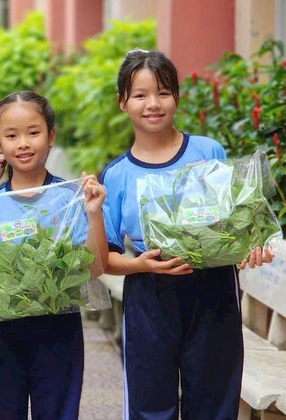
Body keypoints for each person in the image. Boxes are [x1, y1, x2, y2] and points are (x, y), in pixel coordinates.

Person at [99, 50, 273, 420]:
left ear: (176, 96)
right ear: (122, 103)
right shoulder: (115, 176)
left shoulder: (208, 152)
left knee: (213, 403)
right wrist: (139, 264)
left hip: (214, 292)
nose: (153, 104)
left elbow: (234, 225)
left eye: (163, 92)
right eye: (140, 95)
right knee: (150, 407)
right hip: (150, 295)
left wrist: (250, 246)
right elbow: (105, 259)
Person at [0, 91, 108, 420]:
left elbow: (95, 267)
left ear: (51, 136)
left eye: (33, 132)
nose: (24, 143)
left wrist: (94, 214)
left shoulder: (71, 197)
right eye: (11, 135)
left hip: (59, 329)